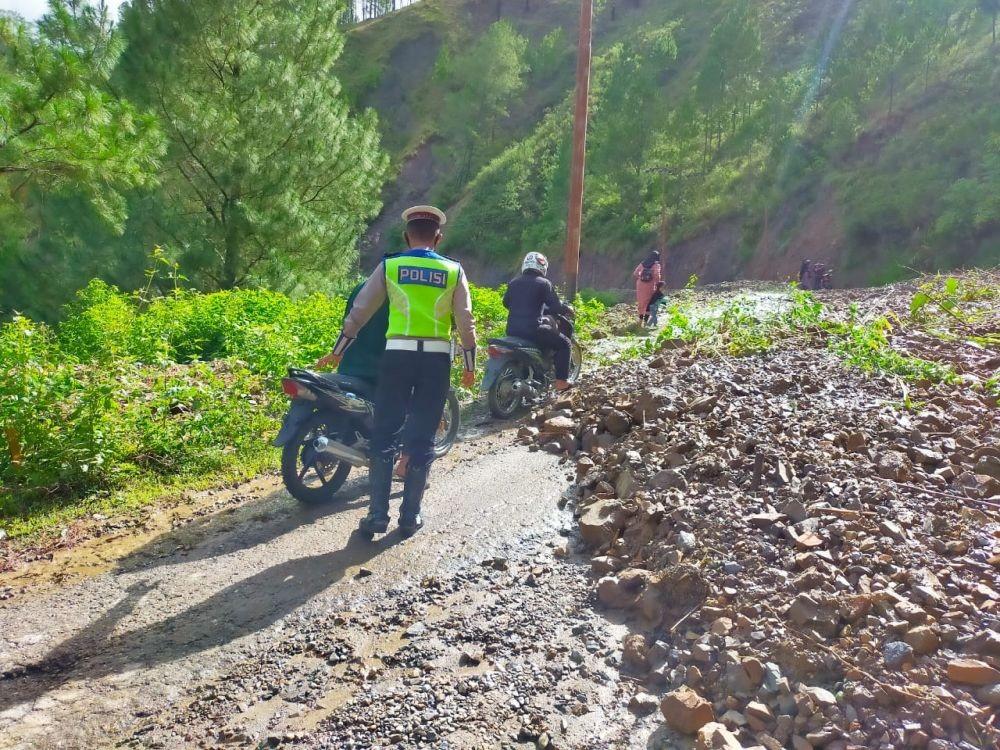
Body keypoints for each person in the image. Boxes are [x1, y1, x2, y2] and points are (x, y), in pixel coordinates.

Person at [317, 205, 476, 538]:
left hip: (396, 358)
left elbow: (360, 311)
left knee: (385, 433)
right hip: (435, 361)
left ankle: (376, 516)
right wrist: (470, 365)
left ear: (407, 236)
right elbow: (465, 321)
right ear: (438, 237)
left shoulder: (391, 266)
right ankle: (410, 517)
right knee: (421, 435)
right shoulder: (453, 271)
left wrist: (337, 352)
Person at [502, 252, 573, 392]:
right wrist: (566, 309)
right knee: (565, 344)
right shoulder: (544, 283)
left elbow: (506, 303)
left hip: (512, 330)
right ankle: (561, 382)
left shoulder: (514, 282)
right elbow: (555, 306)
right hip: (533, 331)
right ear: (542, 266)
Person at [633, 250, 662, 324]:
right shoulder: (656, 265)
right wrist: (657, 283)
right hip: (650, 285)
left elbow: (635, 273)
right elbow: (657, 275)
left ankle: (640, 320)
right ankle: (645, 322)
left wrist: (641, 278)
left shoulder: (643, 263)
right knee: (649, 303)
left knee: (641, 302)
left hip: (640, 285)